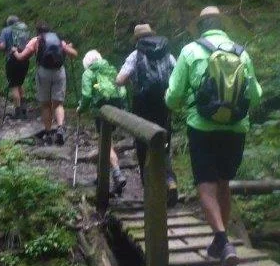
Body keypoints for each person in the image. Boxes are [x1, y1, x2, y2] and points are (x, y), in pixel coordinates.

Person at [165, 6, 262, 266]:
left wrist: (187, 101)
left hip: (202, 127)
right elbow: (255, 96)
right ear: (222, 24)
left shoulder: (190, 51)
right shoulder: (241, 52)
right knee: (223, 183)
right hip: (235, 129)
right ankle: (221, 242)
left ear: (201, 26)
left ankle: (222, 241)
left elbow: (172, 96)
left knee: (205, 187)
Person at [116, 23, 178, 204]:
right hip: (164, 104)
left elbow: (120, 80)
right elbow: (176, 77)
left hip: (142, 105)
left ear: (137, 39)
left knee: (143, 146)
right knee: (164, 143)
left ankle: (150, 191)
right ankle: (169, 180)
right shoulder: (168, 54)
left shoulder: (136, 55)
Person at [12, 22, 78, 145]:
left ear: (37, 31)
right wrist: (67, 47)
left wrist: (15, 51)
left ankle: (48, 133)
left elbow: (21, 57)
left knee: (45, 105)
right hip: (59, 72)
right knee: (58, 104)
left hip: (43, 73)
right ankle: (60, 128)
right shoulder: (58, 39)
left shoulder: (36, 40)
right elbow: (74, 54)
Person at [79, 50, 129, 194]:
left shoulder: (88, 73)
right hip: (116, 107)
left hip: (102, 109)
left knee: (105, 143)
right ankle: (101, 175)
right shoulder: (111, 69)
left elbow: (87, 95)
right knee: (106, 141)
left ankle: (117, 173)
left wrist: (81, 108)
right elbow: (122, 89)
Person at [0, 15, 31, 119]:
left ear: (8, 23)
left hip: (12, 60)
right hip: (24, 59)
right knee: (20, 83)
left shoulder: (5, 30)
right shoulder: (24, 29)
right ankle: (24, 109)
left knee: (13, 85)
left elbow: (3, 46)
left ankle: (18, 112)